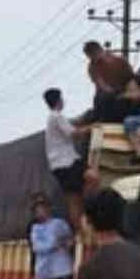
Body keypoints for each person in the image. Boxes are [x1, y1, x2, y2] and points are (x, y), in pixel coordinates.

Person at [43, 88, 93, 227]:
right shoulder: (56, 116)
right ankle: (85, 222)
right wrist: (91, 128)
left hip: (60, 164)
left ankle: (81, 228)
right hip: (66, 162)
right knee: (86, 184)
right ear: (59, 100)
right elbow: (74, 133)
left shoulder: (53, 118)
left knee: (73, 198)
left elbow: (70, 127)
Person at [84, 40, 136, 123]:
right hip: (106, 98)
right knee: (102, 98)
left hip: (123, 96)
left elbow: (131, 80)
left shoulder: (120, 61)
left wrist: (128, 93)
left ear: (99, 51)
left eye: (92, 55)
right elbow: (102, 85)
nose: (92, 59)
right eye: (89, 57)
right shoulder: (93, 66)